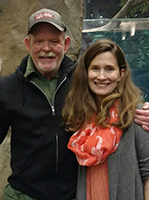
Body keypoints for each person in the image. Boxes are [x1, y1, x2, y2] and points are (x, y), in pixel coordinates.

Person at [0, 9, 149, 200]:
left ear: (66, 43)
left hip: (73, 194)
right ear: (28, 44)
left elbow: (115, 99)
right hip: (23, 195)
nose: (47, 49)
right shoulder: (8, 86)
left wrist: (143, 112)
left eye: (54, 41)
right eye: (39, 41)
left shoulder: (81, 81)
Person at [62, 39, 149, 200]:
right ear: (86, 72)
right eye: (95, 68)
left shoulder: (136, 114)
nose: (101, 76)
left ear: (121, 74)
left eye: (109, 69)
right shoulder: (81, 114)